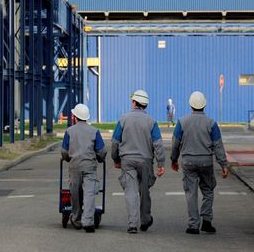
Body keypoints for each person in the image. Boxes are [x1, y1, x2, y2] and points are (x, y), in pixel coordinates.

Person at [170, 91, 229, 235]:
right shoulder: (211, 123)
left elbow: (175, 143)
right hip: (206, 162)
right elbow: (218, 145)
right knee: (208, 190)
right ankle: (207, 221)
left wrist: (174, 159)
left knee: (191, 193)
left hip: (188, 161)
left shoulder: (182, 122)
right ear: (204, 105)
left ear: (190, 105)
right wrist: (223, 164)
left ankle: (193, 225)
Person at [111, 89, 166, 234]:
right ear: (145, 105)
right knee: (144, 191)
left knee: (130, 191)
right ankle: (145, 220)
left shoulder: (123, 119)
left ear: (134, 102)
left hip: (127, 160)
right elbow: (158, 144)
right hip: (145, 160)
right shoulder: (151, 122)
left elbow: (115, 141)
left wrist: (116, 159)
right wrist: (161, 164)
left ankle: (132, 224)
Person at [61, 104, 107, 233]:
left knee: (75, 193)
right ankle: (88, 221)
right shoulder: (94, 131)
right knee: (89, 193)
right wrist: (99, 158)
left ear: (75, 116)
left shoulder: (69, 131)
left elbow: (64, 151)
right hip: (89, 166)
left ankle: (76, 219)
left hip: (74, 166)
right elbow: (102, 151)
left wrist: (68, 158)